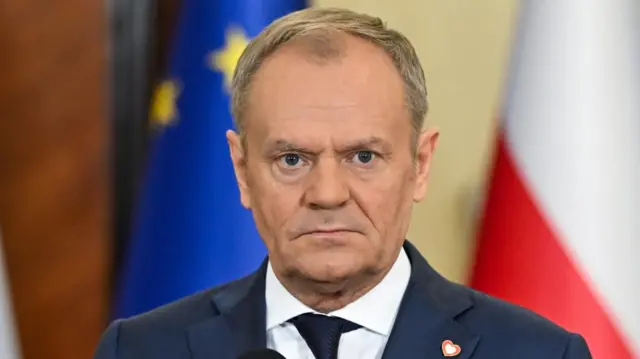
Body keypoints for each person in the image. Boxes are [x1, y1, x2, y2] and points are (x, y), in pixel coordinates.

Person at [94, 7, 592, 359]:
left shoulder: (537, 353)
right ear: (242, 172)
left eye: (362, 156)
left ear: (419, 165)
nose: (327, 193)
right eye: (292, 159)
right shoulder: (141, 350)